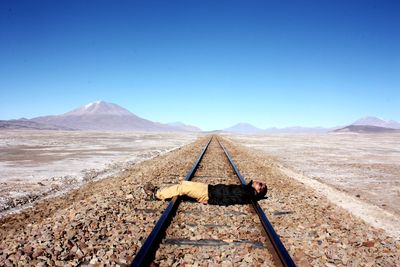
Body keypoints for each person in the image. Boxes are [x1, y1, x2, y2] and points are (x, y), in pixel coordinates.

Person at [143, 180, 267, 206]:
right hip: (209, 188)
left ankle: (156, 195)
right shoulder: (247, 189)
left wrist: (210, 201)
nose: (258, 182)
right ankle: (162, 191)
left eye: (260, 184)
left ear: (258, 190)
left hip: (208, 194)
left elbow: (229, 200)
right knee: (184, 183)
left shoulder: (246, 194)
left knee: (182, 189)